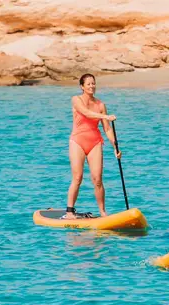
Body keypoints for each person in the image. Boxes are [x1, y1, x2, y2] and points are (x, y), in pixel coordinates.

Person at [65, 73, 121, 219]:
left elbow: (107, 129)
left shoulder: (100, 105)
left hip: (95, 142)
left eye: (93, 83)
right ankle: (70, 211)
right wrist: (105, 116)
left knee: (97, 179)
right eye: (88, 84)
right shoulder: (76, 99)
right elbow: (86, 113)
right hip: (77, 141)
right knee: (77, 177)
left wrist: (115, 146)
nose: (91, 86)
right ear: (82, 86)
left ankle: (103, 212)